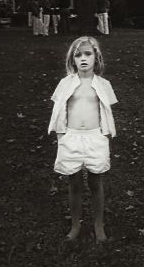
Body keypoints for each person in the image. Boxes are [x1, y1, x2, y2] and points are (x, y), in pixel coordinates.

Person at [47, 36, 117, 242]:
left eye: (88, 54)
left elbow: (107, 113)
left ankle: (98, 225)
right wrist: (62, 137)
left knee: (96, 182)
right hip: (72, 137)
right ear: (72, 60)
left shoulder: (104, 84)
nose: (83, 59)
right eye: (78, 55)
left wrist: (105, 137)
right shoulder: (65, 84)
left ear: (97, 57)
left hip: (95, 137)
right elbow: (59, 111)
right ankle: (75, 225)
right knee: (74, 183)